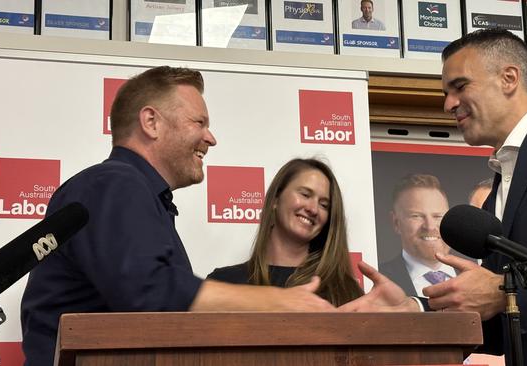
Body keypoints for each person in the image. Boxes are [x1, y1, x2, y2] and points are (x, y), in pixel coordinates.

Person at [20, 66, 334, 366]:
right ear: (151, 122)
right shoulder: (113, 183)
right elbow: (150, 292)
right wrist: (278, 302)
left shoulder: (138, 195)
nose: (211, 138)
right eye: (199, 122)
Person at [353, 28, 527, 366]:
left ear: (509, 78)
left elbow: (507, 295)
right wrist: (417, 309)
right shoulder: (498, 189)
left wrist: (504, 289)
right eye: (446, 93)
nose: (448, 104)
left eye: (460, 87)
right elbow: (500, 325)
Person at [208, 158, 363, 306]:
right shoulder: (223, 283)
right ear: (276, 199)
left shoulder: (346, 292)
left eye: (324, 205)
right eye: (305, 194)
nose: (313, 209)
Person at [379, 174, 455, 297]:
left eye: (438, 216)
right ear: (396, 223)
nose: (430, 226)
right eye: (416, 216)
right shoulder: (379, 279)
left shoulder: (477, 275)